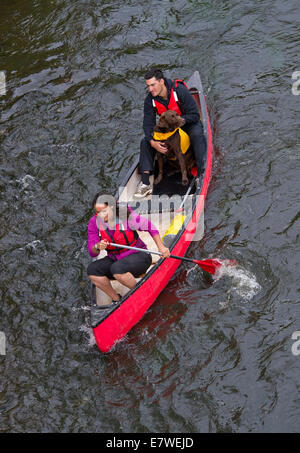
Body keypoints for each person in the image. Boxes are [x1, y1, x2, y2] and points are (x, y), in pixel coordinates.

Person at [87, 192, 170, 307]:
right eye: (97, 212)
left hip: (140, 256)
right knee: (92, 270)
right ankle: (117, 299)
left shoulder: (124, 215)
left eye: (104, 211)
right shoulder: (94, 223)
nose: (101, 215)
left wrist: (161, 247)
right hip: (115, 259)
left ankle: (141, 293)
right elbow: (92, 252)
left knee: (117, 269)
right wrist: (97, 246)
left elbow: (150, 226)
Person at [134, 68, 206, 198]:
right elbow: (148, 125)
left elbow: (195, 115)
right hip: (168, 128)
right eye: (148, 86)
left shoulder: (180, 91)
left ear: (161, 82)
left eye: (152, 85)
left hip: (186, 124)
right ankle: (145, 183)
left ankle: (201, 173)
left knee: (196, 135)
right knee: (145, 141)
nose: (150, 89)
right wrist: (153, 142)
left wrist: (179, 122)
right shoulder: (149, 100)